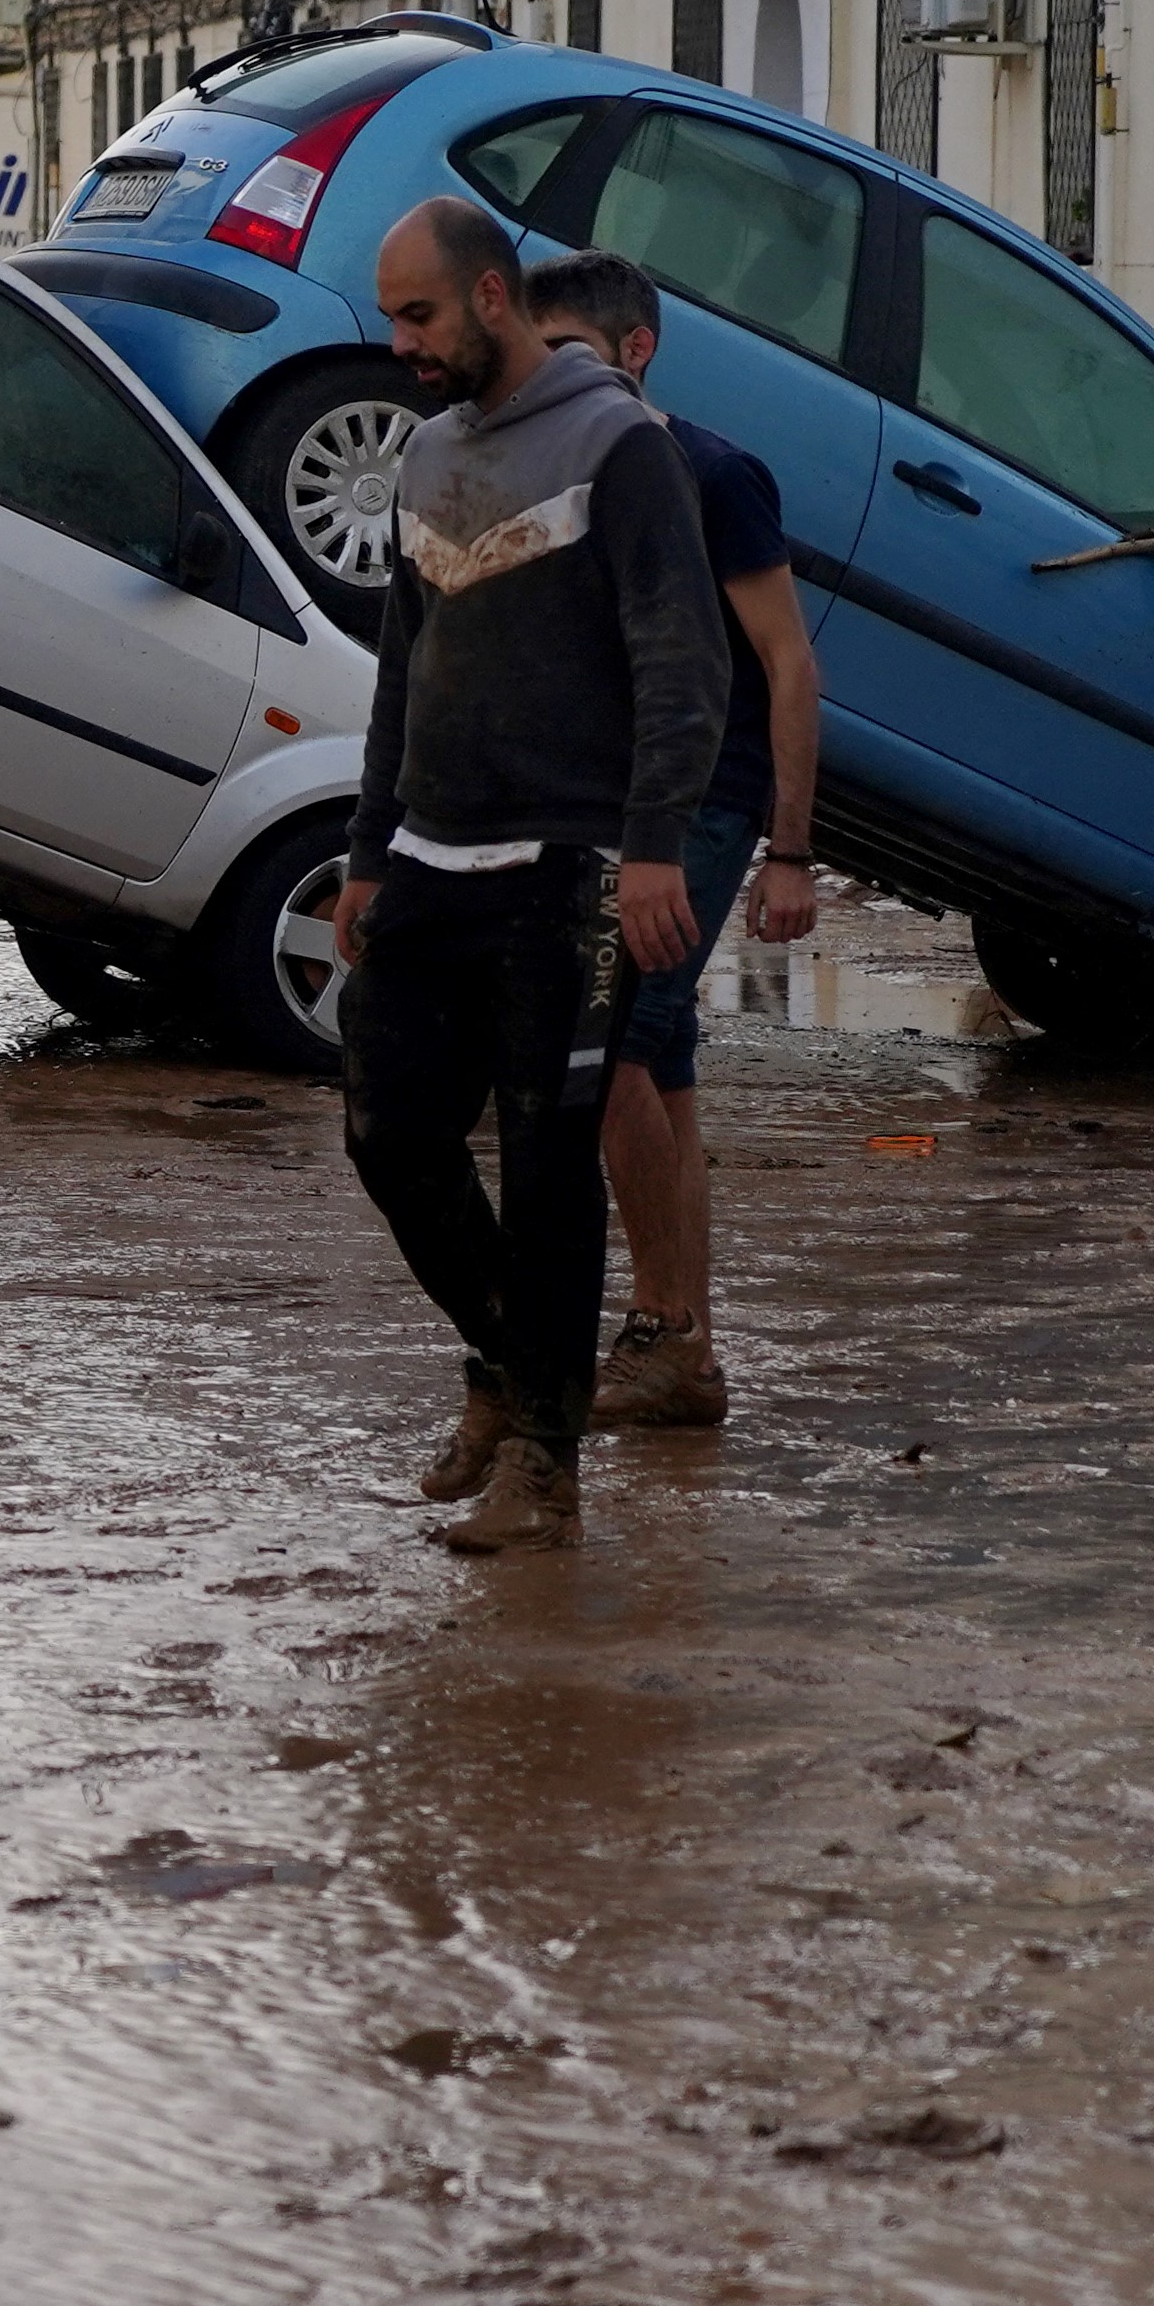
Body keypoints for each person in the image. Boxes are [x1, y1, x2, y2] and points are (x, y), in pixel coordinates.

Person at [333, 198, 728, 1554]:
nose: (400, 344)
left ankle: (545, 1465)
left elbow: (686, 659)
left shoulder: (617, 445)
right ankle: (511, 1368)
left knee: (551, 1164)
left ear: (490, 296)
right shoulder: (425, 454)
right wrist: (364, 850)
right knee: (387, 1129)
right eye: (391, 318)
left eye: (418, 314)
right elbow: (401, 667)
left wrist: (652, 846)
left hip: (570, 872)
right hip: (431, 862)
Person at [524, 249, 824, 1433]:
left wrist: (788, 850)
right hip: (609, 805)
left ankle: (657, 1329)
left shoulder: (710, 471)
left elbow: (788, 661)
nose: (547, 380)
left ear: (633, 348)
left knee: (611, 1061)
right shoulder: (563, 470)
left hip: (699, 802)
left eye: (569, 355)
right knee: (661, 1071)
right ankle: (684, 1350)